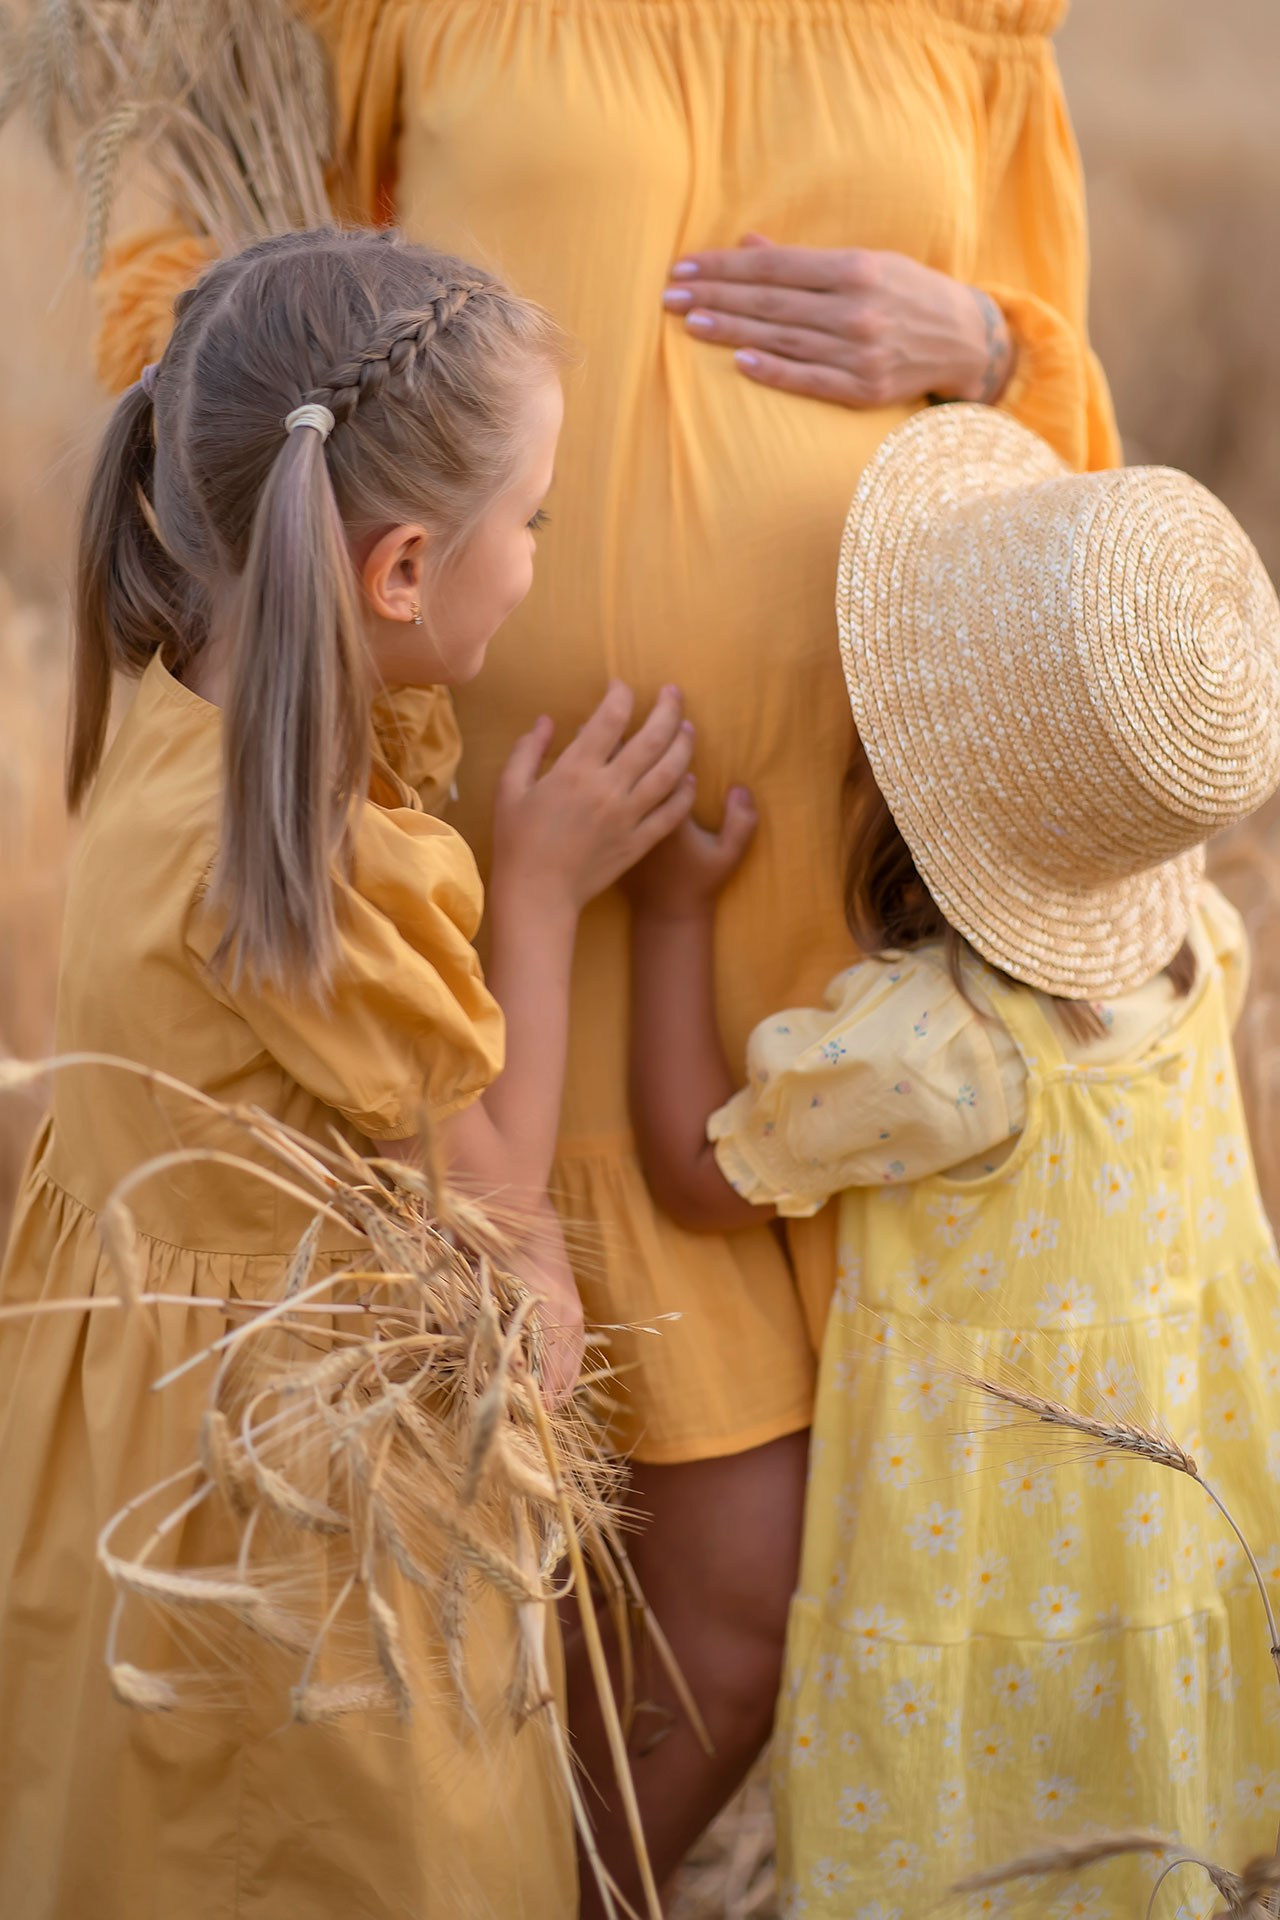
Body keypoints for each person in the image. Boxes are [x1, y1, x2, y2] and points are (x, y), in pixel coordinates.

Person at [94, 1, 1121, 1893]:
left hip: (775, 955)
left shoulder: (975, 27)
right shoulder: (392, 12)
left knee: (732, 1613)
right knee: (425, 1582)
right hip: (451, 942)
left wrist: (982, 343)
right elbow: (215, 334)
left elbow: (1072, 495)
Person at [0, 226, 698, 1920]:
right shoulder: (302, 873)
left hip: (137, 1450)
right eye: (528, 521)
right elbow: (496, 1224)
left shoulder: (175, 743)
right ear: (398, 574)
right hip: (297, 1519)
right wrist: (535, 888)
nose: (537, 553)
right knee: (338, 1862)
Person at [626, 403, 1280, 1910]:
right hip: (1159, 1570)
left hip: (983, 1605)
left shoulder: (940, 1055)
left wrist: (667, 917)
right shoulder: (1206, 954)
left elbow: (689, 1171)